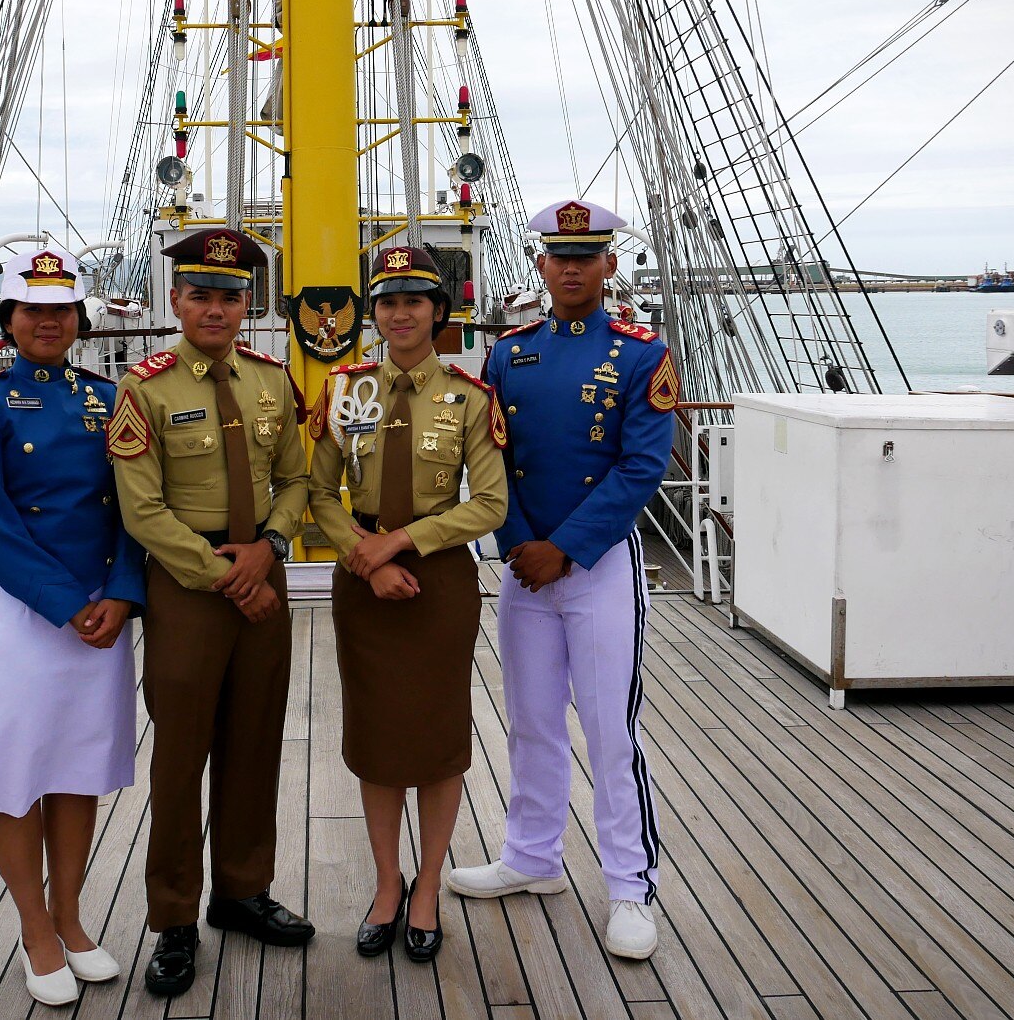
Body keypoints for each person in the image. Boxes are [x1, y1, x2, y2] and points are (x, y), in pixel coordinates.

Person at [445, 199, 678, 962]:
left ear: (610, 265)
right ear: (540, 266)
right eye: (558, 255)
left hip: (600, 565)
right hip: (526, 571)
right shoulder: (512, 354)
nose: (571, 268)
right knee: (534, 720)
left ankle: (630, 886)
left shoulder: (642, 353)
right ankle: (533, 856)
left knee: (611, 730)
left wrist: (564, 549)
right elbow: (493, 461)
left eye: (587, 255)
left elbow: (642, 466)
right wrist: (517, 543)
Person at [105, 226, 315, 997]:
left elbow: (294, 479)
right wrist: (227, 575)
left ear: (248, 303)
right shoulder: (145, 390)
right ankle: (173, 920)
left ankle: (241, 891)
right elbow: (142, 510)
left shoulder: (269, 380)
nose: (216, 309)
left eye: (230, 296)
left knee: (255, 740)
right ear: (177, 300)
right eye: (202, 295)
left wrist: (273, 549)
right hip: (189, 588)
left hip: (263, 572)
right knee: (181, 753)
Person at [0, 249, 146, 1008]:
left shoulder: (110, 398)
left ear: (79, 321)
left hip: (104, 611)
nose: (47, 322)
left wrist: (124, 594)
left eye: (61, 310)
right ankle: (35, 926)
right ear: (8, 321)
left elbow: (136, 503)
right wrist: (69, 603)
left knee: (77, 767)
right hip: (28, 615)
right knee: (12, 769)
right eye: (32, 310)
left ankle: (71, 915)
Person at [306, 245, 508, 963]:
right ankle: (387, 885)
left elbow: (489, 503)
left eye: (414, 302)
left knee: (439, 740)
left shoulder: (468, 398)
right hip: (363, 583)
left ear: (437, 313)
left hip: (437, 585)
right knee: (377, 740)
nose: (399, 314)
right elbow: (316, 490)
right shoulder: (347, 389)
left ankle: (428, 888)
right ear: (374, 313)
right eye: (387, 302)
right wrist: (364, 556)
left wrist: (403, 545)